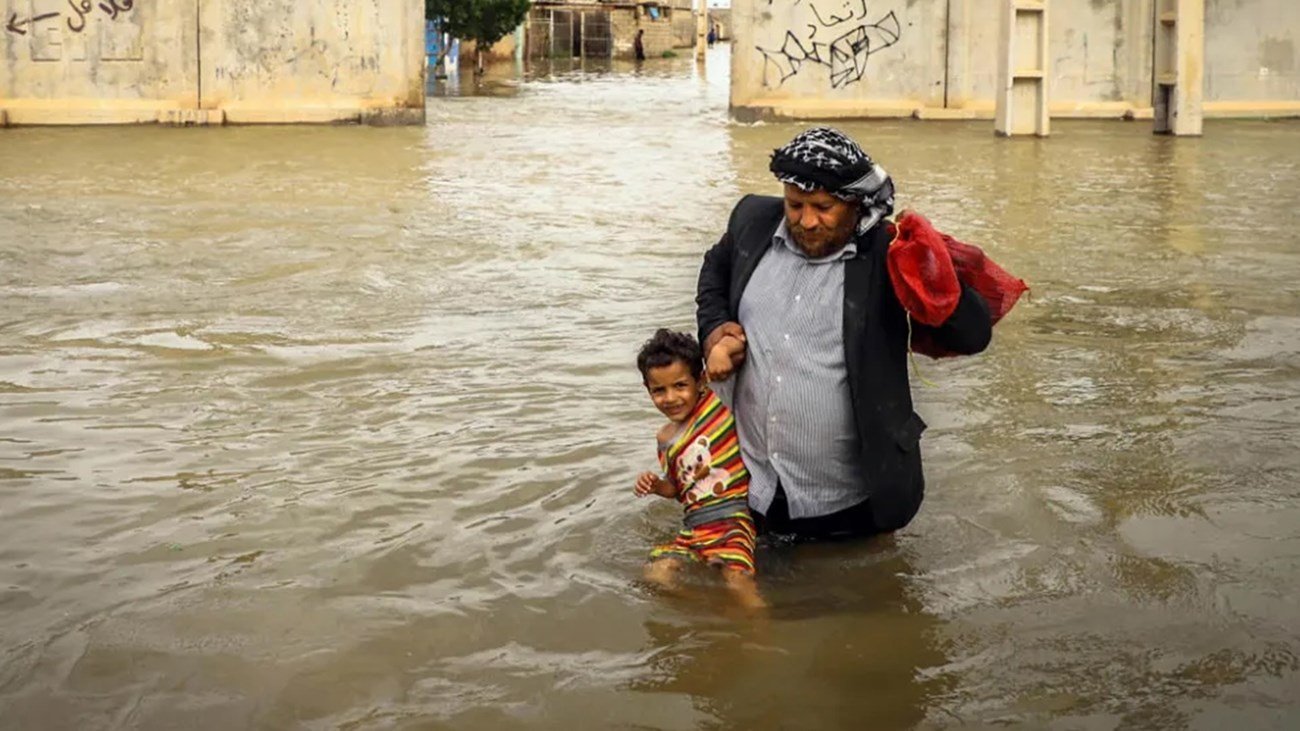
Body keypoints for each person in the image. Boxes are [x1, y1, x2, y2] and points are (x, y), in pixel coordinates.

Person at [696, 126, 992, 543]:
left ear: (855, 203)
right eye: (795, 204)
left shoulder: (888, 254)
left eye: (823, 207)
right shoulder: (752, 221)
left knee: (861, 579)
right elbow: (715, 270)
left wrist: (933, 269)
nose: (806, 221)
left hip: (851, 503)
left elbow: (972, 336)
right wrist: (714, 331)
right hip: (752, 488)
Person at [633, 329, 764, 609]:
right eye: (659, 390)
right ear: (648, 389)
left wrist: (720, 350)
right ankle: (706, 608)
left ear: (701, 380)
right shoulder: (665, 439)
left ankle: (759, 626)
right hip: (693, 528)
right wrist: (656, 485)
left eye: (680, 385)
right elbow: (677, 489)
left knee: (736, 580)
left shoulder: (716, 403)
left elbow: (738, 341)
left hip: (732, 520)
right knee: (656, 574)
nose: (670, 398)